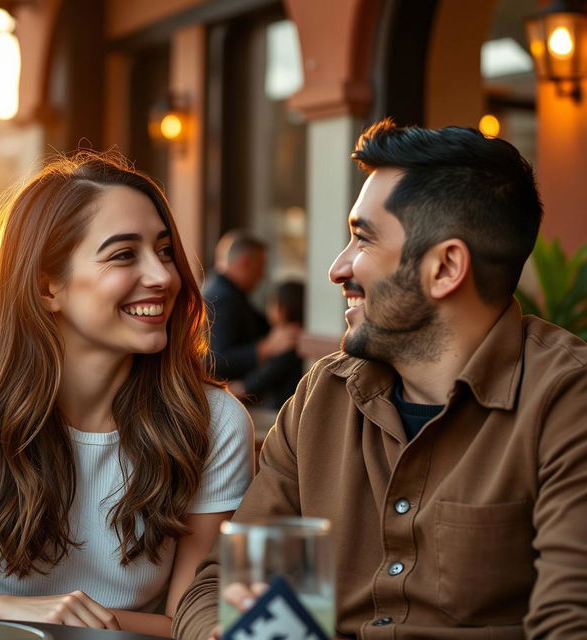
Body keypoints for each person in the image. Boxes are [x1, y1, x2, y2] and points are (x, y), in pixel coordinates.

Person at [172, 119, 587, 639]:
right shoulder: (321, 397)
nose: (337, 268)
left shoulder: (567, 401)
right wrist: (222, 633)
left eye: (362, 240)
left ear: (444, 268)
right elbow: (218, 587)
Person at [0, 151, 254, 638]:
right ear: (47, 285)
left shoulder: (215, 420)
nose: (163, 276)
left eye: (165, 250)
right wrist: (19, 611)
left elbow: (190, 621)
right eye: (123, 254)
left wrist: (74, 615)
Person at [203, 230, 299, 381]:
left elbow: (259, 323)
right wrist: (266, 348)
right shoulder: (222, 298)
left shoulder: (229, 292)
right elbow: (216, 361)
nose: (263, 274)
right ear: (245, 262)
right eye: (261, 265)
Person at [230, 280, 305, 410]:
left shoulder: (289, 343)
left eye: (272, 303)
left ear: (283, 309)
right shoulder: (284, 337)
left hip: (280, 412)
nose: (267, 308)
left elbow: (254, 384)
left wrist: (227, 389)